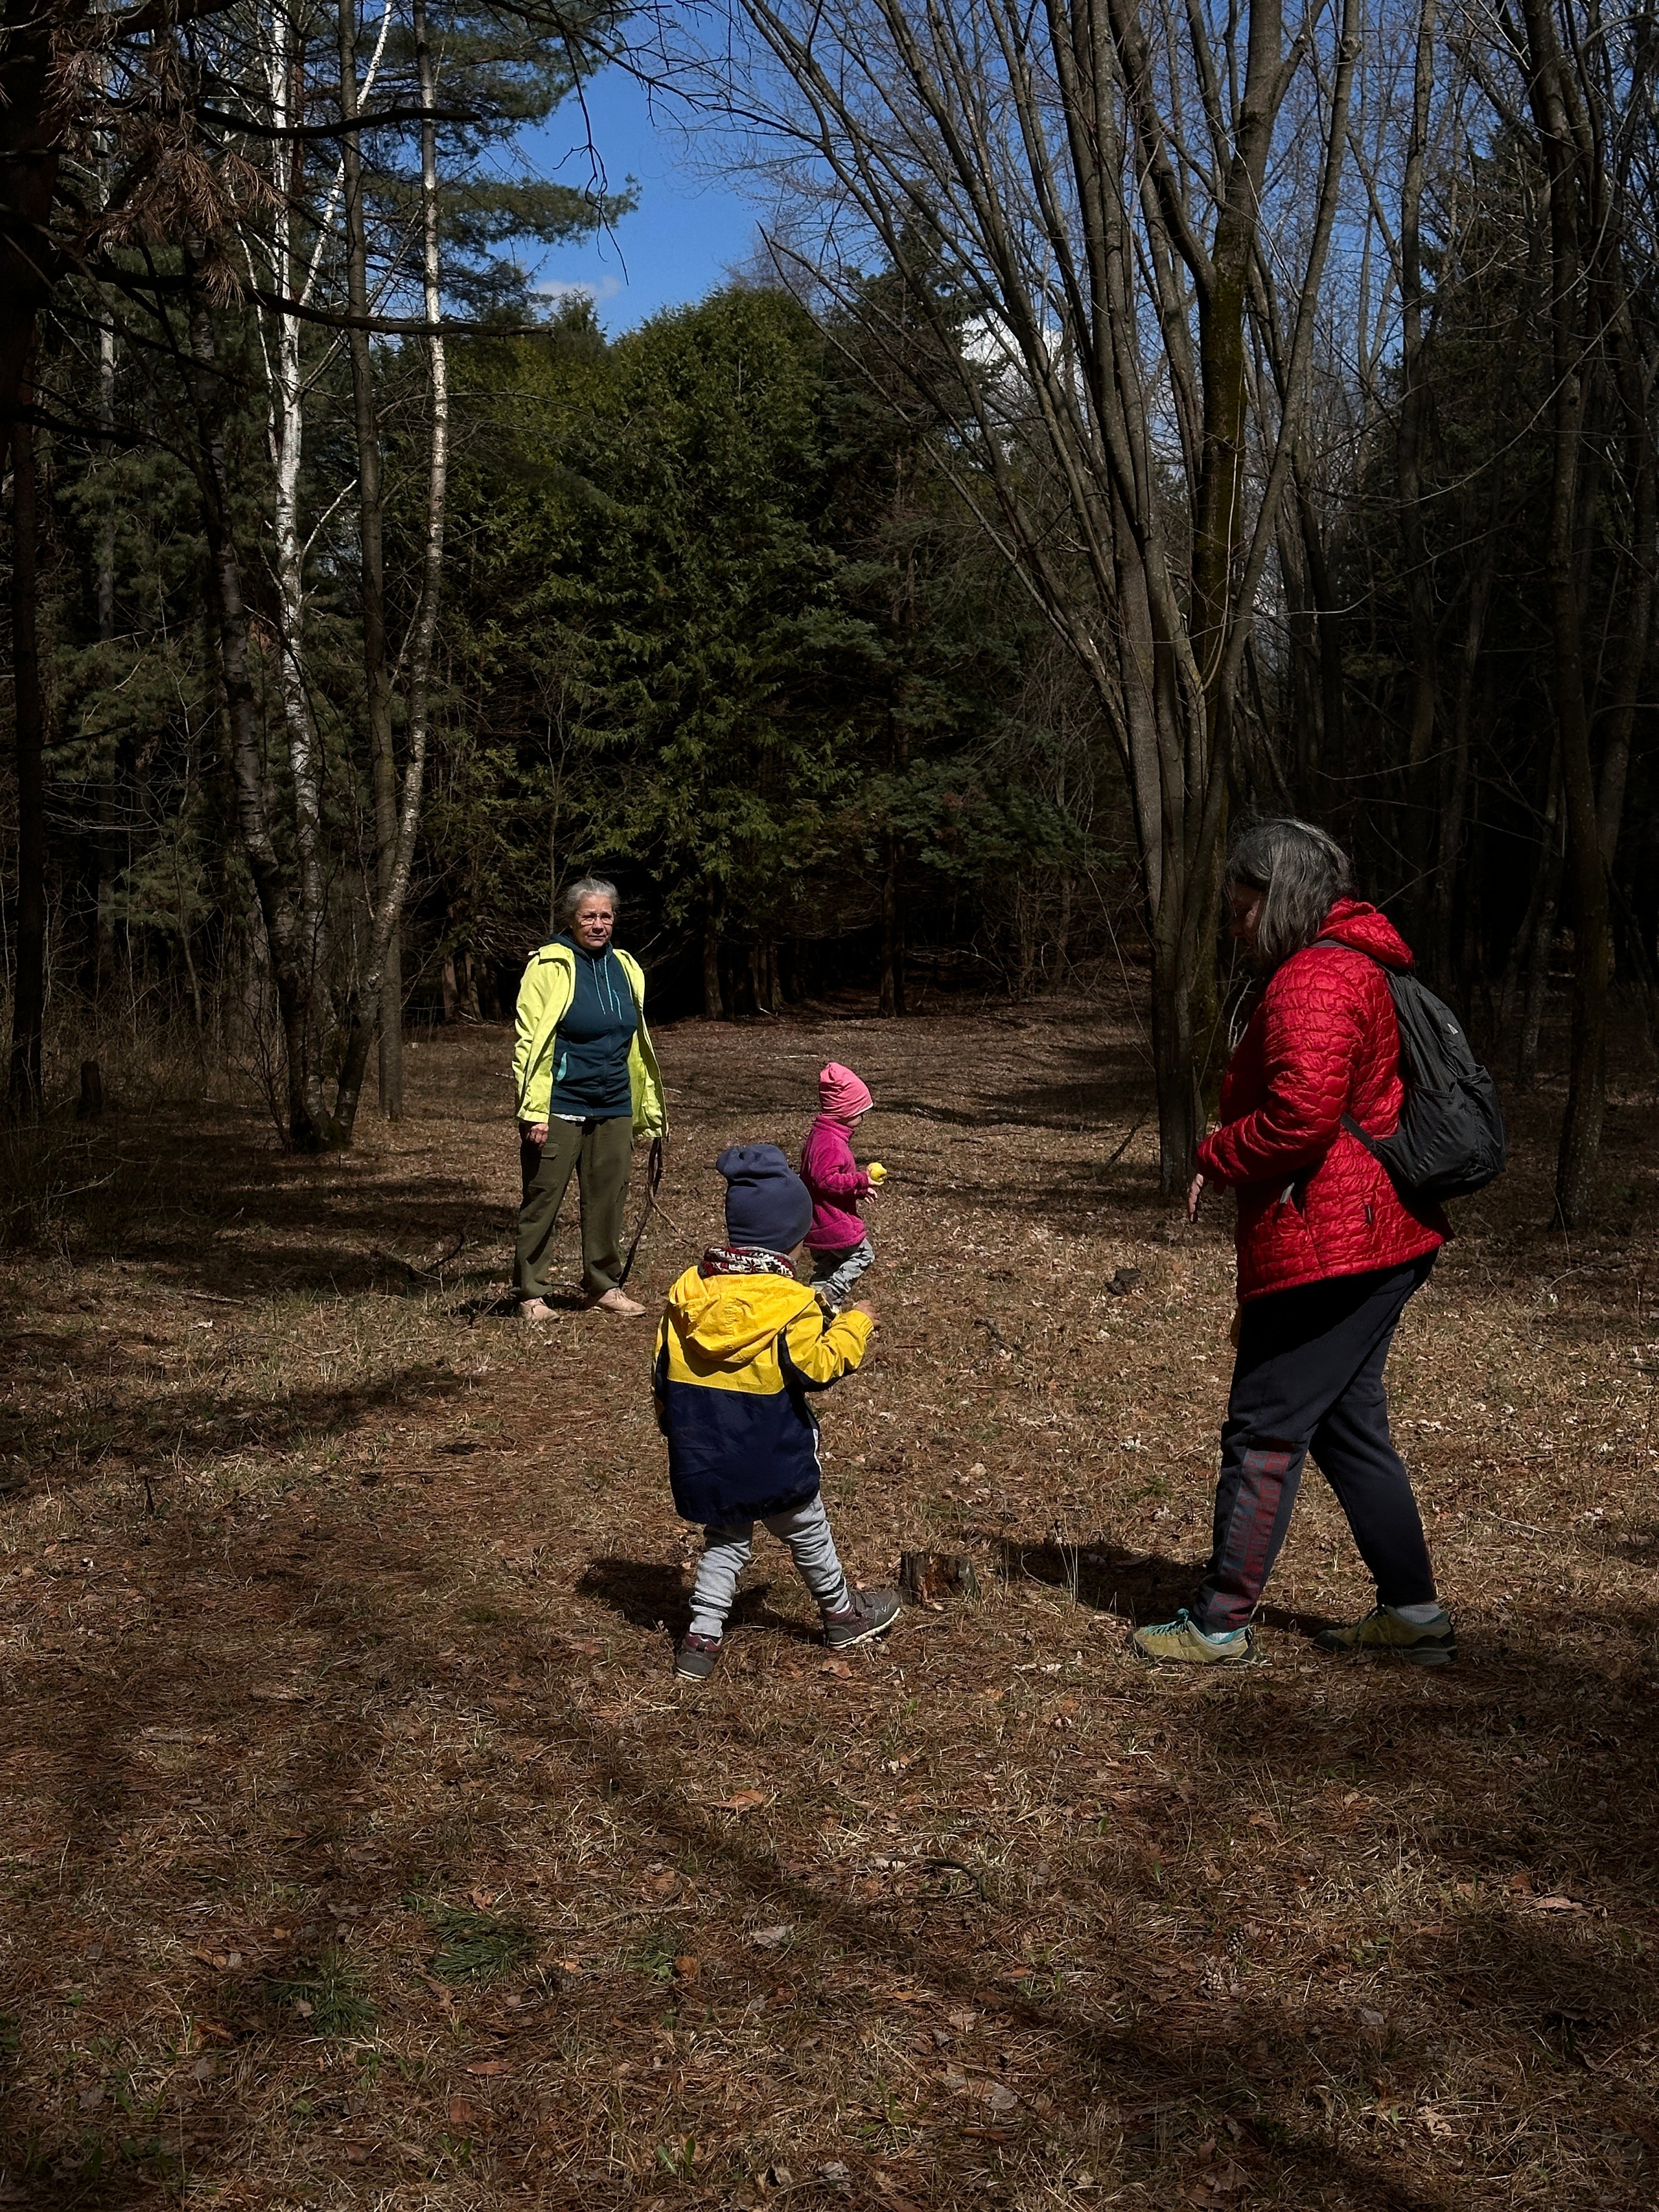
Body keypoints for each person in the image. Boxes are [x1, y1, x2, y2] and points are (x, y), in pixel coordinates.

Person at [1133, 819, 1457, 1669]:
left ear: (1279, 899)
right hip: (1375, 1235)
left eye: (1242, 908)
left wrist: (1214, 1152)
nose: (1234, 924)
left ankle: (1219, 1620)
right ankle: (1415, 1615)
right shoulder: (1351, 964)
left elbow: (1300, 1121)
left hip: (1334, 1243)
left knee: (1264, 1427)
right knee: (1349, 1426)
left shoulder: (1315, 979)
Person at [654, 1143, 900, 1682]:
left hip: (707, 1452)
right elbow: (819, 1367)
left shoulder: (687, 1294)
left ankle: (701, 1638)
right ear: (791, 1235)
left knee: (725, 1541)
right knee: (808, 1531)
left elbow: (661, 1376)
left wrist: (677, 1432)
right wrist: (857, 1323)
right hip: (775, 1454)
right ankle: (841, 1613)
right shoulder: (793, 1302)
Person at [511, 878, 667, 1322]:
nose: (598, 924)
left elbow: (636, 1044)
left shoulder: (625, 965)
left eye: (606, 916)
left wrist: (647, 1110)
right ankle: (531, 1293)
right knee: (543, 1197)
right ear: (571, 920)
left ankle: (603, 1286)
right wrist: (533, 1111)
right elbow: (529, 1043)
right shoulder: (549, 965)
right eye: (589, 916)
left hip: (614, 1101)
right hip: (560, 1102)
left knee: (608, 1197)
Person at [800, 1062, 884, 1309]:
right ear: (844, 1111)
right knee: (863, 1255)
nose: (863, 1117)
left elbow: (828, 1178)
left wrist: (858, 1189)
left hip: (817, 1221)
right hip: (832, 1221)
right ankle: (830, 1297)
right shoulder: (831, 1144)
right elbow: (826, 1180)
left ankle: (812, 1309)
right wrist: (861, 1179)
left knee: (827, 1268)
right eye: (860, 1112)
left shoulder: (822, 1136)